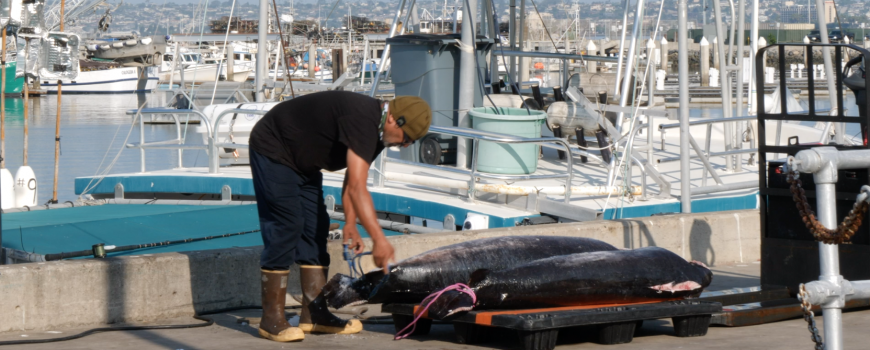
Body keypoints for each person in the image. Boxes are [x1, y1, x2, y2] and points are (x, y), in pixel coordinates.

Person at [248, 91, 432, 342]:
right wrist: (379, 239)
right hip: (274, 148)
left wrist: (350, 223)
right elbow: (358, 188)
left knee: (316, 229)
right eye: (408, 138)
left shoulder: (378, 133)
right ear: (393, 120)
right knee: (287, 225)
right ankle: (270, 319)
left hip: (304, 164)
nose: (406, 145)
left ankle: (314, 315)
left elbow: (352, 180)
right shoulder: (362, 119)